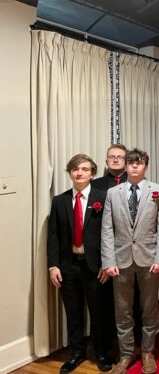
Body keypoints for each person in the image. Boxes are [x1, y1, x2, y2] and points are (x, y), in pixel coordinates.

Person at [101, 149, 159, 374]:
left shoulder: (158, 191)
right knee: (123, 311)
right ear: (125, 166)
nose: (134, 167)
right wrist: (108, 260)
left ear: (145, 166)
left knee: (149, 309)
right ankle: (126, 355)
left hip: (149, 260)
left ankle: (148, 352)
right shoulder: (113, 193)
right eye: (130, 163)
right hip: (119, 261)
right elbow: (107, 229)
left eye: (139, 163)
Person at [47, 154, 113, 373]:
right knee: (73, 313)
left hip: (96, 267)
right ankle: (76, 353)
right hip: (68, 266)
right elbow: (53, 236)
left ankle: (101, 353)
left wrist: (107, 263)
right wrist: (53, 265)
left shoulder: (103, 198)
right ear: (70, 173)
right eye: (75, 169)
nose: (79, 173)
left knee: (98, 312)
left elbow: (112, 233)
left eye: (84, 169)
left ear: (92, 173)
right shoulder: (60, 200)